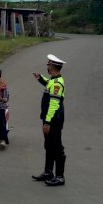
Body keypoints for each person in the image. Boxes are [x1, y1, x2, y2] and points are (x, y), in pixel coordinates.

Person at [32, 54, 67, 186]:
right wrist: (40, 78)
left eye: (48, 65)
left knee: (57, 147)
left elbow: (54, 104)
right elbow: (48, 84)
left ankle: (59, 176)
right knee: (49, 145)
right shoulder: (53, 80)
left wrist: (47, 122)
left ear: (52, 66)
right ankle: (48, 172)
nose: (47, 66)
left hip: (54, 120)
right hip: (49, 119)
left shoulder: (57, 83)